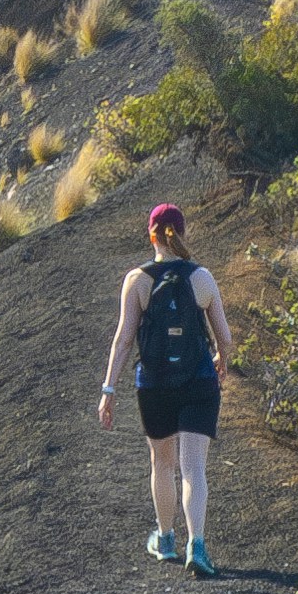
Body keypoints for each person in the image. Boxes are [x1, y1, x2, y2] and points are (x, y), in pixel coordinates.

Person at [98, 199, 236, 572]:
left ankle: (165, 538)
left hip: (154, 386)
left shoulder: (137, 280)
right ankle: (199, 547)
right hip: (198, 383)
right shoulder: (202, 278)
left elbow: (123, 339)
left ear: (152, 236)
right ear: (183, 233)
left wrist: (108, 390)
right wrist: (222, 360)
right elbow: (225, 338)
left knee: (162, 462)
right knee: (194, 469)